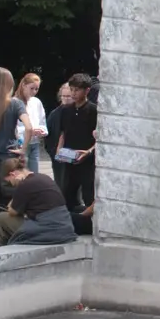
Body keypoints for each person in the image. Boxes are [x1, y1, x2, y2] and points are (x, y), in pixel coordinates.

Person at [0, 67, 34, 248]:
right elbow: (29, 128)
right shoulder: (16, 104)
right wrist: (23, 150)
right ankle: (10, 243)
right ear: (11, 84)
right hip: (10, 162)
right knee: (10, 207)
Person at [0, 158, 77, 247]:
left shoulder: (24, 184)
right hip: (65, 227)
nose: (11, 184)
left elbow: (11, 211)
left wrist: (18, 188)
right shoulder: (44, 177)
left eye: (9, 181)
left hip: (47, 230)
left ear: (12, 174)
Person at [56, 73, 98, 214]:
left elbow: (100, 138)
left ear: (87, 90)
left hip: (87, 160)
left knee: (89, 194)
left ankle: (88, 221)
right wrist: (59, 149)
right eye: (72, 89)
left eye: (77, 90)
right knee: (67, 193)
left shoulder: (93, 110)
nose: (73, 93)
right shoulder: (66, 110)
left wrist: (89, 152)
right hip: (69, 158)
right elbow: (63, 132)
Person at [14, 73, 48, 174]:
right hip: (21, 143)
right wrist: (28, 131)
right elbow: (13, 126)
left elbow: (42, 121)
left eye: (36, 89)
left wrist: (42, 131)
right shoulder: (14, 102)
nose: (34, 92)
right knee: (21, 173)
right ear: (24, 85)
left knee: (34, 173)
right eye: (31, 88)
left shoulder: (36, 102)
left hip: (35, 143)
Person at [44, 82, 74, 194]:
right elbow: (48, 134)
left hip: (75, 155)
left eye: (68, 96)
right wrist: (53, 152)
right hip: (59, 156)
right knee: (60, 183)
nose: (65, 99)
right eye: (63, 96)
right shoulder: (54, 114)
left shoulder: (79, 112)